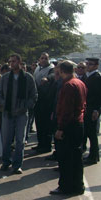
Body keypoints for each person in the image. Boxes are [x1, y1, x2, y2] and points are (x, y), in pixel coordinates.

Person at [50, 60, 87, 196]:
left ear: (61, 70)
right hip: (78, 123)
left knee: (65, 158)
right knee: (76, 158)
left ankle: (66, 186)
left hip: (69, 125)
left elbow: (66, 109)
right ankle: (77, 185)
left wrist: (61, 128)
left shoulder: (68, 85)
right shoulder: (80, 83)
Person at [0, 54, 37, 174]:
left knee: (20, 140)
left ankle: (17, 164)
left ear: (19, 62)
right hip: (7, 113)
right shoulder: (5, 78)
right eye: (10, 62)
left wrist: (26, 106)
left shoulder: (28, 78)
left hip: (21, 114)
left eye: (13, 61)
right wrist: (4, 104)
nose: (11, 64)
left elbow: (34, 96)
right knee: (6, 140)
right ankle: (6, 162)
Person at [33, 52, 55, 153]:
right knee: (39, 123)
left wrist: (47, 78)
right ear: (39, 59)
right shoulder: (38, 68)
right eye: (42, 58)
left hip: (46, 100)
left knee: (46, 124)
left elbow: (52, 75)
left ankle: (46, 145)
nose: (44, 60)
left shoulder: (51, 68)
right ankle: (40, 143)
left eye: (46, 58)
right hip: (38, 99)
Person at [82, 57, 101, 165]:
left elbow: (99, 95)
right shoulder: (88, 76)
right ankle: (93, 155)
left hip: (92, 108)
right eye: (87, 63)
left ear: (96, 66)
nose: (88, 66)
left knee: (92, 133)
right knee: (88, 132)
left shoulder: (97, 77)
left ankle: (94, 156)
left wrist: (96, 109)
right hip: (87, 107)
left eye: (90, 64)